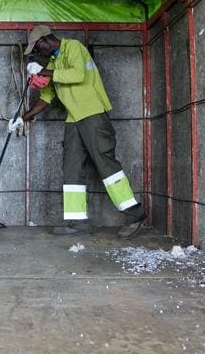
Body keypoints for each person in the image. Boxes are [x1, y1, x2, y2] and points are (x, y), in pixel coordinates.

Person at [8, 25, 145, 236]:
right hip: (73, 120)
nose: (37, 54)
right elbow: (47, 97)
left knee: (105, 164)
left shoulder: (73, 47)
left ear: (45, 40)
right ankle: (77, 222)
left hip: (93, 114)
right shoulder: (54, 62)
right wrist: (22, 118)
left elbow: (78, 74)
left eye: (36, 49)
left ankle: (135, 215)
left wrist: (43, 70)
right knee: (71, 167)